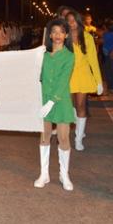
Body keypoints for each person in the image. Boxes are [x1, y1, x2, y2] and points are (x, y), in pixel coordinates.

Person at [34, 19, 75, 191]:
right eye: (54, 32)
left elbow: (63, 81)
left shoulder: (69, 56)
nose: (57, 35)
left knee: (63, 138)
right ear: (49, 35)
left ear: (66, 35)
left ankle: (64, 174)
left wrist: (52, 101)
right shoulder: (42, 55)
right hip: (43, 99)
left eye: (61, 32)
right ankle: (44, 174)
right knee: (44, 136)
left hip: (61, 100)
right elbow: (35, 75)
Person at [66, 10, 103, 151]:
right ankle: (74, 124)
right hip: (67, 76)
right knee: (68, 107)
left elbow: (93, 60)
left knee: (81, 106)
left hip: (83, 75)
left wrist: (98, 81)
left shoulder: (87, 37)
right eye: (69, 20)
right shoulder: (63, 36)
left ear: (78, 21)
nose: (71, 23)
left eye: (73, 20)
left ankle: (78, 138)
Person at [102, 21, 113, 94]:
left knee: (111, 71)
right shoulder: (111, 34)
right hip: (108, 54)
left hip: (111, 54)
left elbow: (102, 41)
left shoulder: (110, 34)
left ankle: (112, 87)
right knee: (109, 71)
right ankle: (110, 87)